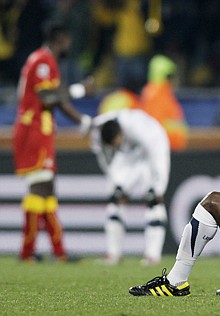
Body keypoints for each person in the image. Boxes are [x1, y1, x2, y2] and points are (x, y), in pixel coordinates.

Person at [13, 21, 93, 262]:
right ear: (60, 39)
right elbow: (48, 97)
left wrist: (81, 121)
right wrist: (80, 91)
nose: (70, 44)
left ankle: (58, 252)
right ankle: (28, 252)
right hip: (34, 130)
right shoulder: (43, 61)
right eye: (68, 40)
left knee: (46, 189)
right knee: (39, 187)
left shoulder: (43, 61)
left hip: (41, 130)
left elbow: (54, 99)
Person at [91, 108, 170, 266]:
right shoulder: (99, 132)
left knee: (153, 200)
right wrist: (116, 183)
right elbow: (106, 160)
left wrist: (158, 185)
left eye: (115, 143)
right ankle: (113, 254)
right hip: (129, 155)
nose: (114, 147)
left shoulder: (139, 128)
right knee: (115, 198)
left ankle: (152, 256)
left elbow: (157, 151)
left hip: (153, 148)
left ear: (121, 133)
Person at [139, 55, 189, 152]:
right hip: (165, 149)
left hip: (167, 148)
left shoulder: (156, 93)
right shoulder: (157, 96)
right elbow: (156, 125)